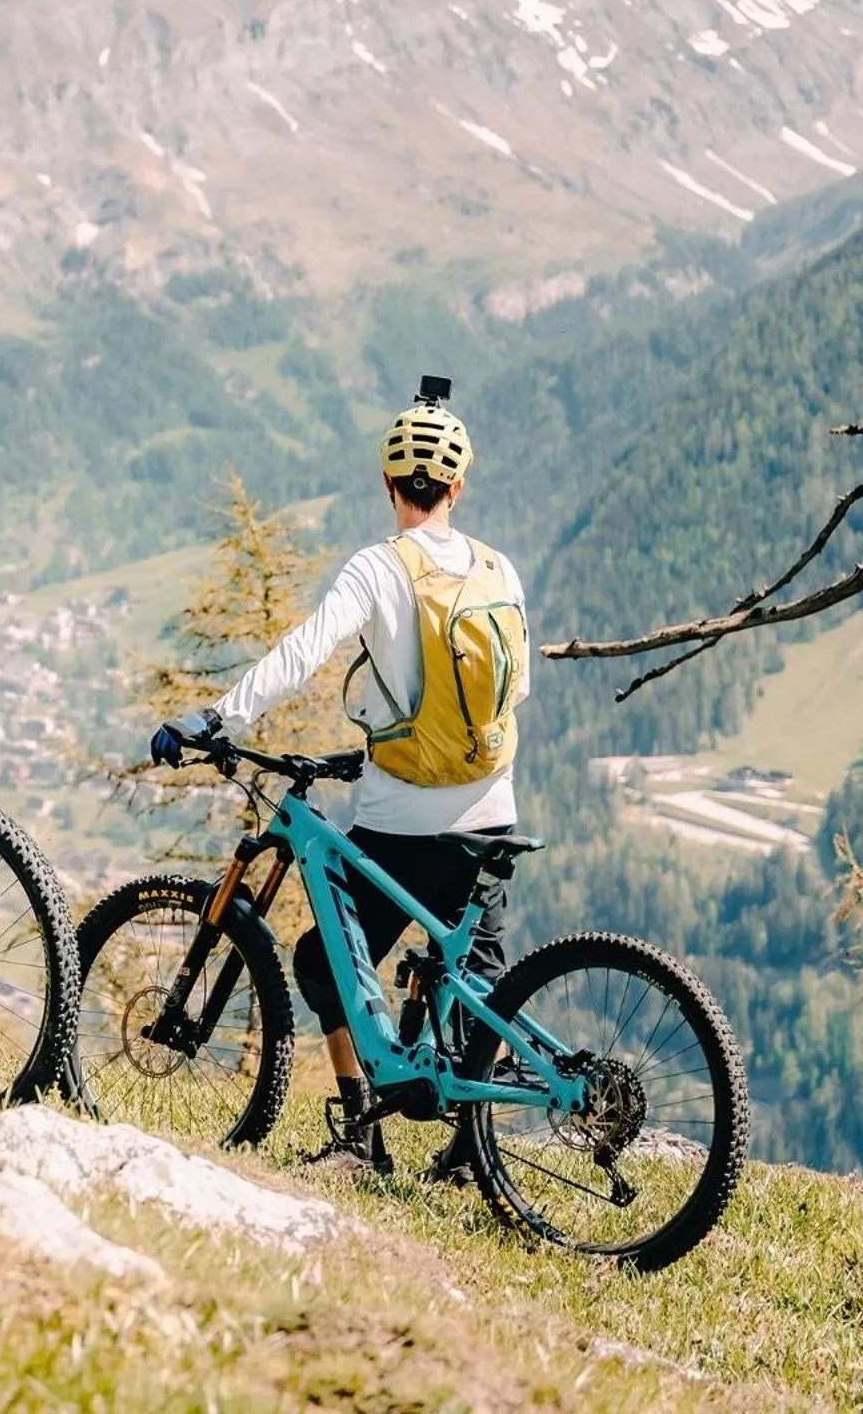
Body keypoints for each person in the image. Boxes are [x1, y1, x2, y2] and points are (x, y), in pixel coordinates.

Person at [151, 379, 529, 1178]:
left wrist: (219, 719)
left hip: (403, 819)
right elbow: (513, 691)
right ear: (459, 488)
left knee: (326, 962)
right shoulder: (500, 570)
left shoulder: (378, 567)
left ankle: (361, 1135)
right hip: (493, 809)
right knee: (477, 979)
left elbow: (304, 651)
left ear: (389, 484)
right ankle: (472, 1150)